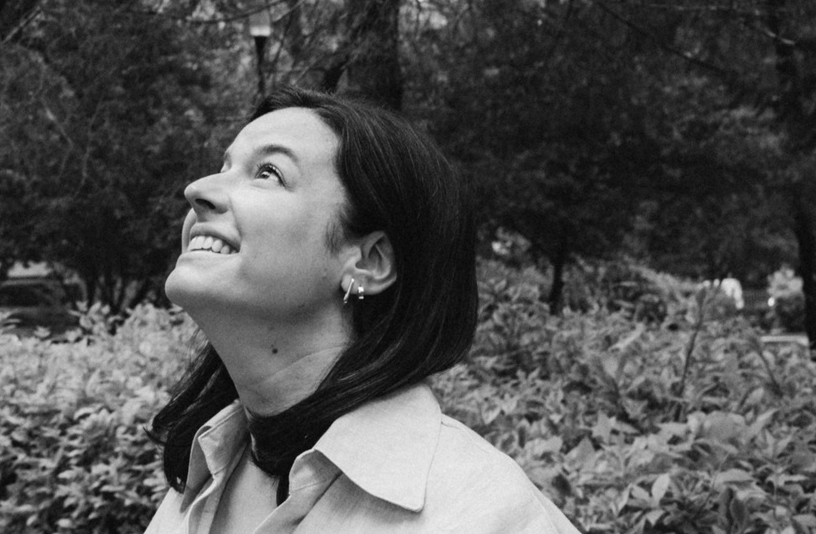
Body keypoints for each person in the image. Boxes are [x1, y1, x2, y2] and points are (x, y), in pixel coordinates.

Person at [146, 89, 578, 533]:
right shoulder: (199, 481)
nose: (197, 190)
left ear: (368, 263)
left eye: (268, 173)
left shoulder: (487, 515)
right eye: (224, 168)